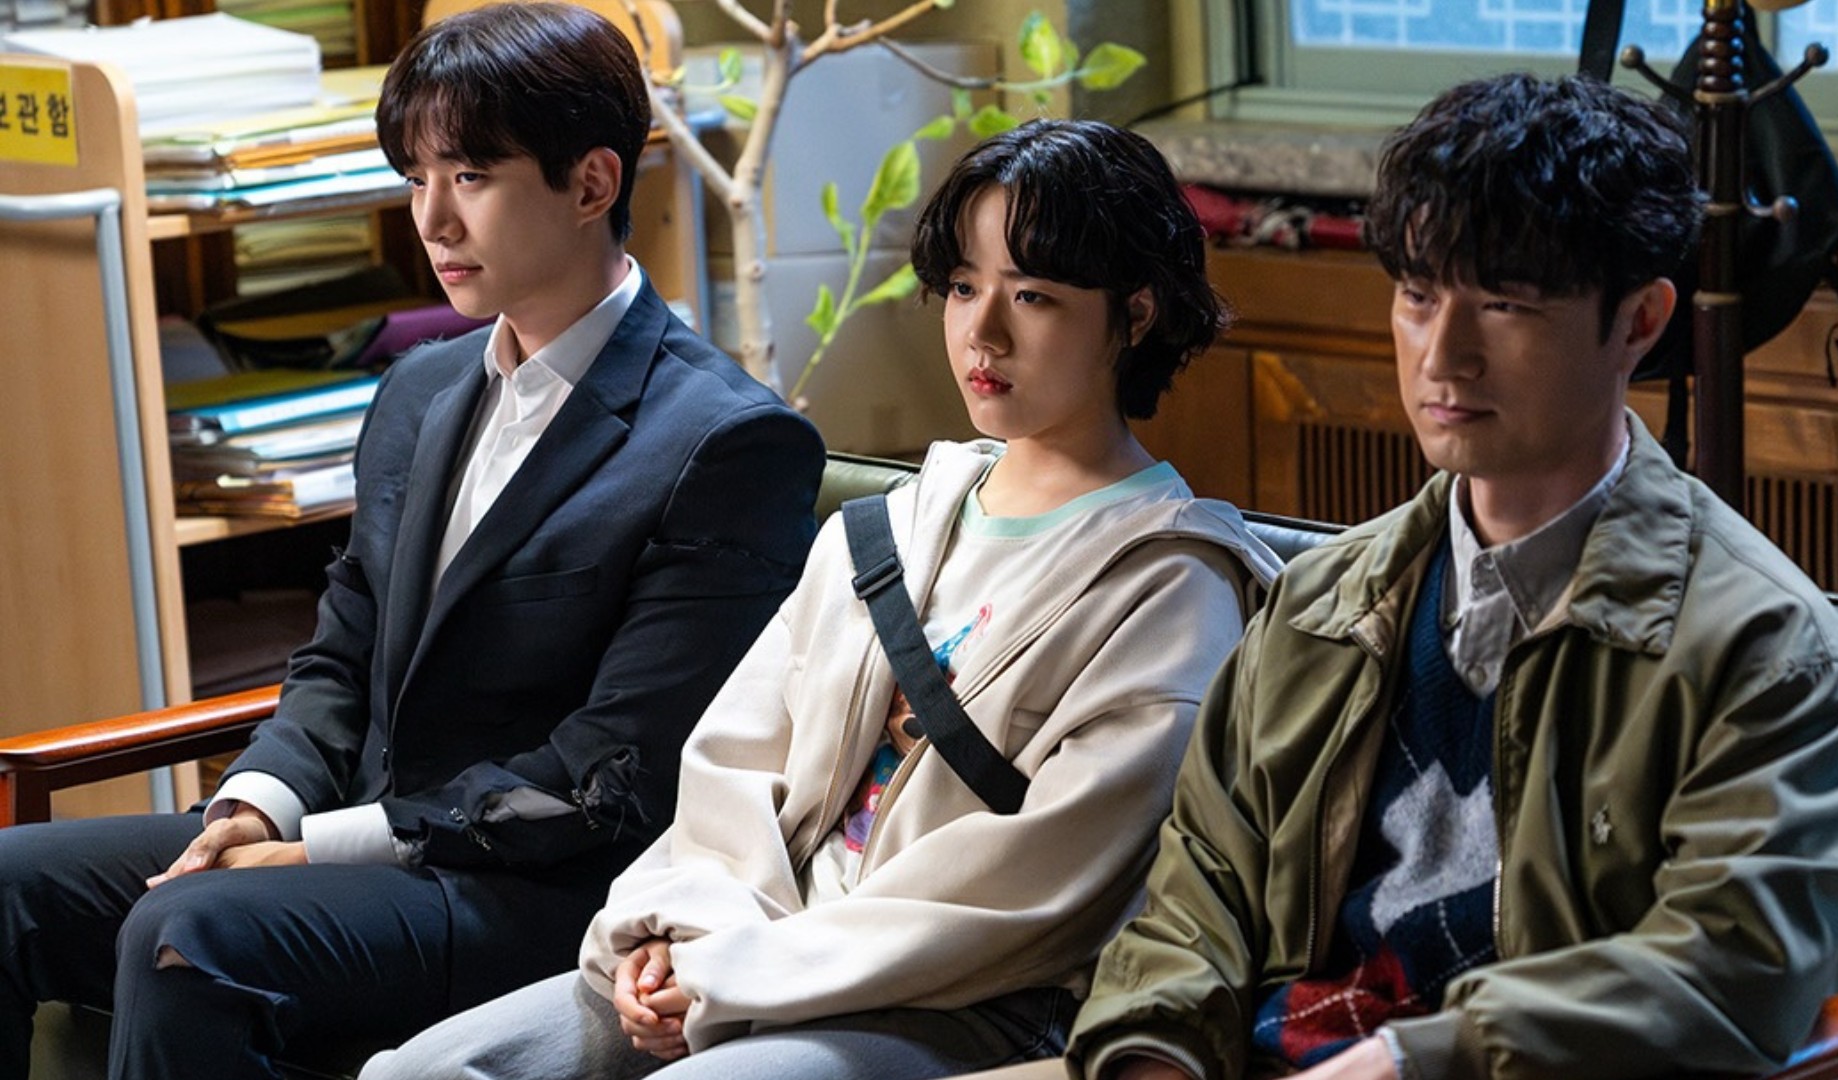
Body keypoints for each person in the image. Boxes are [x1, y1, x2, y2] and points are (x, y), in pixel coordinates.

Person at [357, 118, 1283, 1080]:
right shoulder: (889, 529)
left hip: (965, 1003)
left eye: (1034, 296)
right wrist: (677, 940)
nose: (983, 332)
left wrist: (738, 977)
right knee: (413, 1074)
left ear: (1136, 315)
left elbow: (1039, 888)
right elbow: (733, 767)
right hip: (747, 945)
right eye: (964, 288)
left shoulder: (1172, 585)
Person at [0, 4, 823, 1077]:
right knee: (11, 882)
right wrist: (258, 803)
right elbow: (340, 654)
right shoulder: (419, 389)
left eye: (471, 177)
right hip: (348, 839)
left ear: (592, 184)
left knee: (187, 935)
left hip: (537, 888)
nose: (431, 219)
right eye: (415, 177)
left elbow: (613, 774)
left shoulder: (729, 441)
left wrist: (322, 846)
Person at [1056, 72, 1838, 1080]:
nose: (1444, 357)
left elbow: (1731, 969)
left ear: (1639, 321)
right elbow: (1198, 897)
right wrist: (1154, 1053)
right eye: (1418, 296)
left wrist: (1417, 1060)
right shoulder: (1320, 605)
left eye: (1506, 305)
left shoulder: (1765, 652)